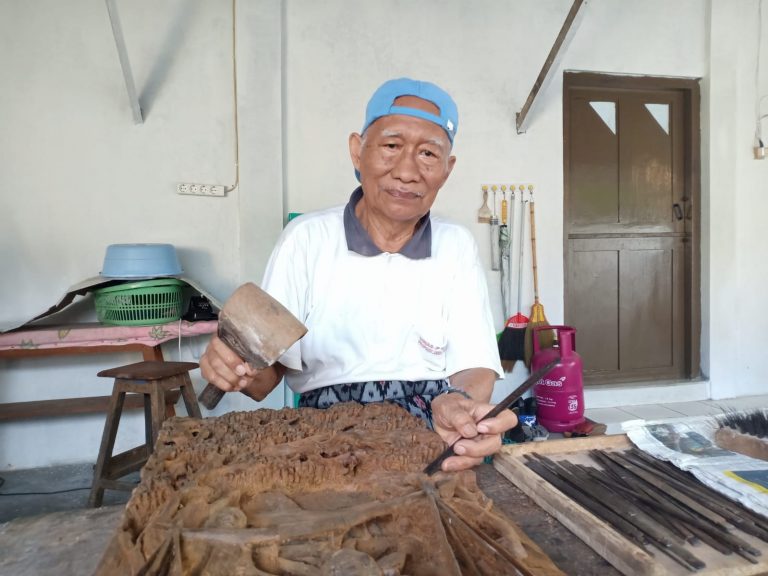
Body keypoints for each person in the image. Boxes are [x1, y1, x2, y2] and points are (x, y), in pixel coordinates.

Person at [200, 78, 517, 472]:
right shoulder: (307, 239)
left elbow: (476, 364)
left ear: (447, 169)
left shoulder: (456, 245)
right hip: (323, 431)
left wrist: (460, 404)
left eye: (428, 154)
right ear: (357, 151)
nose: (407, 171)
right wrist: (234, 367)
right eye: (391, 146)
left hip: (434, 426)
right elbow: (266, 379)